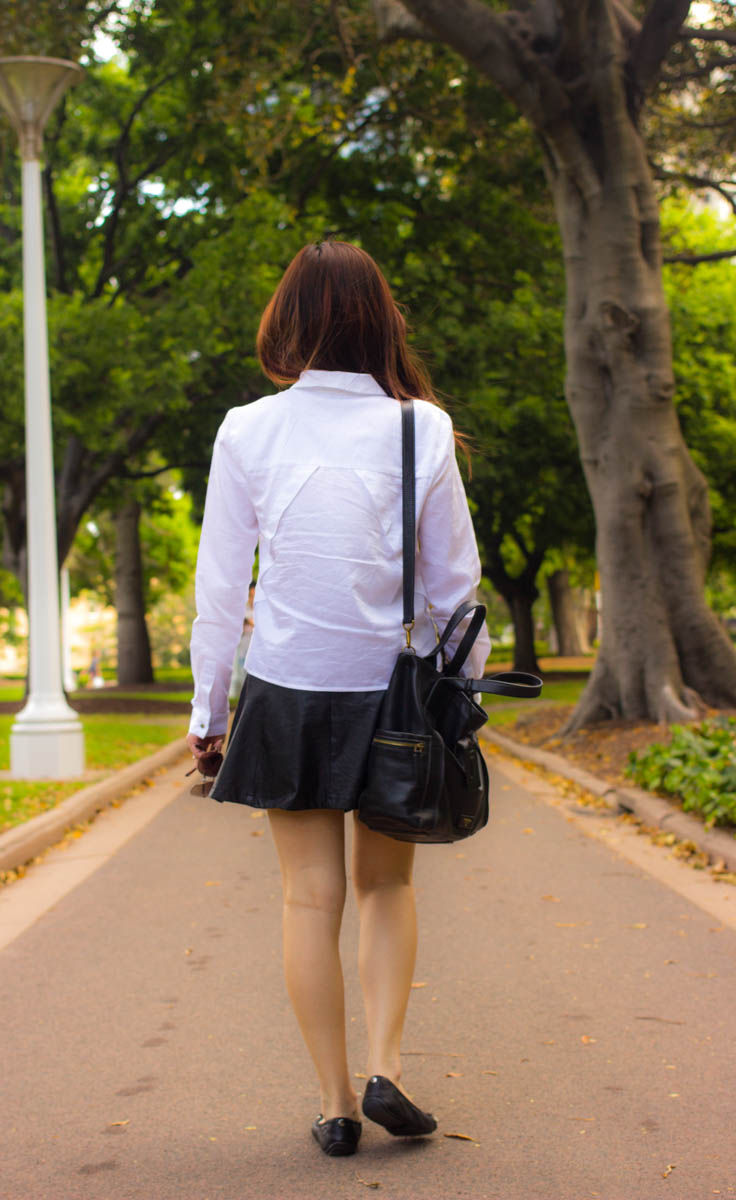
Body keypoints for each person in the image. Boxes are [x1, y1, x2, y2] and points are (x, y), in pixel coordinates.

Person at [186, 241, 490, 1157]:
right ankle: (387, 1065)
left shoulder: (248, 428)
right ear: (380, 321)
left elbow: (218, 586)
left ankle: (333, 1105)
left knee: (308, 899)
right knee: (385, 888)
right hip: (392, 695)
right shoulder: (421, 429)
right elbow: (454, 584)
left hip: (286, 685)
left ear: (288, 323)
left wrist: (209, 711)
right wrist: (460, 692)